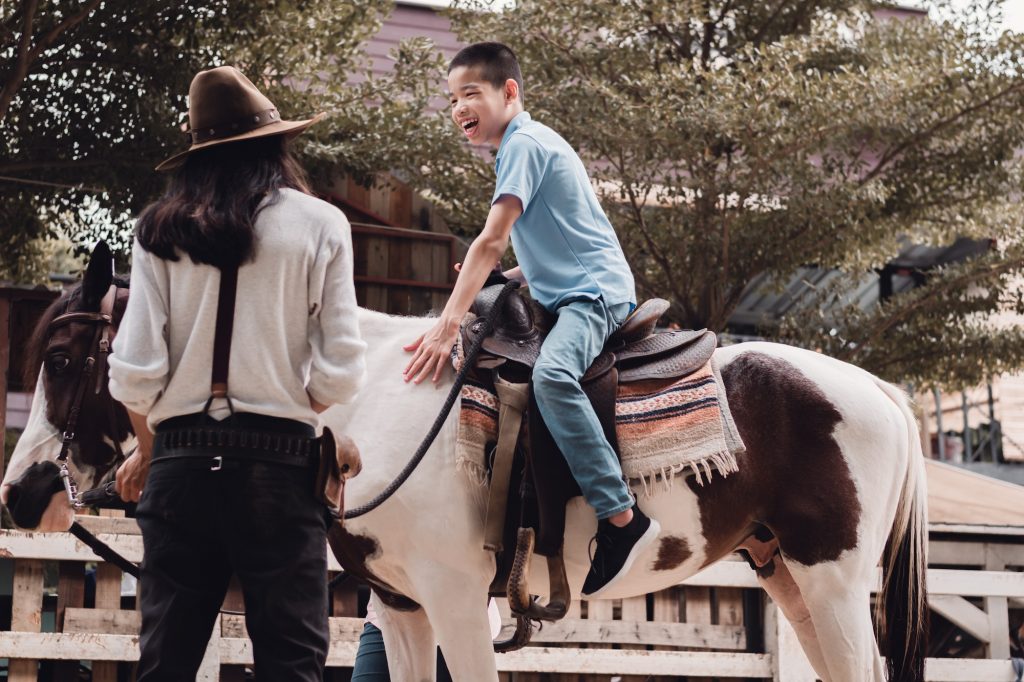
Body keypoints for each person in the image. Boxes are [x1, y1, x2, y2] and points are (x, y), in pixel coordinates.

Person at [109, 65, 366, 681]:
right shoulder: (320, 223)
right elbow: (341, 370)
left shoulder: (157, 229)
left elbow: (137, 373)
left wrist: (149, 453)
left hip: (180, 463)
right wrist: (289, 405)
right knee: (292, 662)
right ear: (276, 143)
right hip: (279, 469)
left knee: (165, 662)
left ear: (198, 154)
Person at [402, 42, 660, 598]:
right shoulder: (522, 146)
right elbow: (556, 240)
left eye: (471, 93)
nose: (458, 108)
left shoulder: (524, 144)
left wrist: (448, 322)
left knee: (551, 378)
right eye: (451, 99)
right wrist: (511, 280)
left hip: (591, 297)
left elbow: (491, 238)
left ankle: (621, 518)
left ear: (509, 92)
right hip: (570, 287)